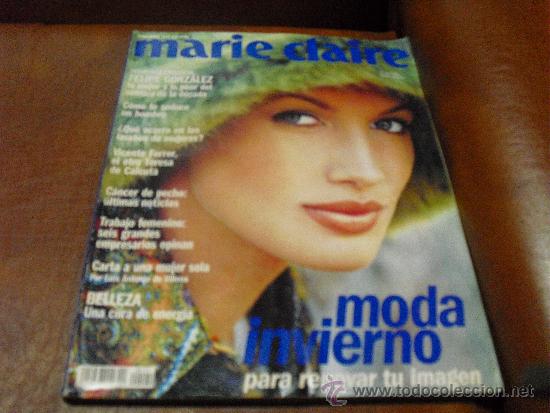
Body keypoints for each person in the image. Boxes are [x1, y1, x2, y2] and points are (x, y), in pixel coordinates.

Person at [75, 33, 450, 399]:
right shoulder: (84, 340)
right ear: (187, 132)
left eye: (390, 125)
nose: (365, 172)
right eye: (298, 117)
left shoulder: (286, 334)